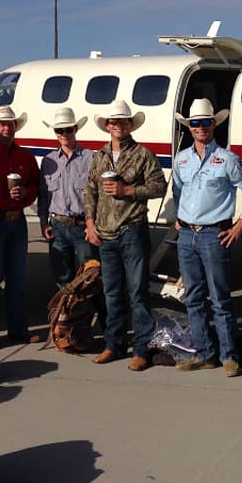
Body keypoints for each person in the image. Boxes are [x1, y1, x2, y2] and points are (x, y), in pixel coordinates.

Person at [172, 99, 242, 377]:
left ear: (214, 125)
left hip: (214, 234)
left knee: (220, 298)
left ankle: (229, 356)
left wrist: (239, 225)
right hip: (187, 234)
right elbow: (177, 191)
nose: (200, 128)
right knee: (193, 298)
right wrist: (179, 216)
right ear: (189, 127)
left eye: (205, 122)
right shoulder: (181, 159)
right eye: (195, 123)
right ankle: (204, 353)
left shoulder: (228, 159)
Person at [84, 100, 167, 372]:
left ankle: (142, 349)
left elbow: (159, 186)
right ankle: (114, 344)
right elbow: (91, 192)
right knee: (112, 293)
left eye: (123, 121)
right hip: (106, 234)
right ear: (107, 126)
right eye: (113, 122)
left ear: (130, 125)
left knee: (138, 293)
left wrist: (128, 192)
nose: (118, 125)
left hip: (132, 229)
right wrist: (89, 223)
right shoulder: (99, 156)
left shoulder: (143, 154)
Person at [0, 106, 40, 350]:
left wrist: (25, 193)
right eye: (1, 124)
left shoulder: (26, 156)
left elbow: (35, 185)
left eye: (10, 123)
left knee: (18, 279)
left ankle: (18, 329)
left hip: (17, 221)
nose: (6, 127)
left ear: (15, 126)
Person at [38, 107, 98, 287]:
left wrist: (93, 225)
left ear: (76, 129)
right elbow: (43, 195)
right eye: (59, 130)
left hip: (82, 227)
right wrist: (43, 222)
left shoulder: (91, 158)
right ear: (55, 133)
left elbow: (98, 196)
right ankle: (67, 314)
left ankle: (92, 314)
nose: (64, 134)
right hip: (57, 227)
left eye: (68, 129)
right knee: (62, 278)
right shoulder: (48, 161)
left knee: (89, 276)